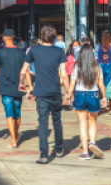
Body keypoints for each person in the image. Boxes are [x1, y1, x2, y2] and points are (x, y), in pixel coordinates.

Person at [20, 25, 69, 165]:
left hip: (40, 92)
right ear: (54, 37)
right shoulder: (60, 51)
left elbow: (24, 70)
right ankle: (59, 149)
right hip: (55, 91)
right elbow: (64, 75)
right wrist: (69, 92)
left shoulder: (33, 50)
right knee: (57, 120)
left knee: (42, 121)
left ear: (41, 36)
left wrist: (23, 83)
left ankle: (43, 154)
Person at [67, 44, 107, 160]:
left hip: (79, 95)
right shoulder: (97, 67)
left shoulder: (76, 67)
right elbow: (101, 84)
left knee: (82, 124)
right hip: (94, 95)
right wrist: (104, 97)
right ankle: (93, 142)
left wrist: (68, 96)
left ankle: (85, 153)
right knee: (93, 121)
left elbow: (72, 84)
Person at [0, 29, 26, 149]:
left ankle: (13, 140)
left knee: (9, 112)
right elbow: (25, 70)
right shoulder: (22, 52)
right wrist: (27, 84)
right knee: (17, 112)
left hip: (5, 86)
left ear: (5, 38)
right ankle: (15, 135)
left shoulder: (0, 52)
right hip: (18, 86)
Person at [98, 32, 111, 111]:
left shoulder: (100, 47)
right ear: (110, 39)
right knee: (109, 87)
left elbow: (98, 59)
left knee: (102, 86)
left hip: (101, 66)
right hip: (110, 67)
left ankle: (104, 106)